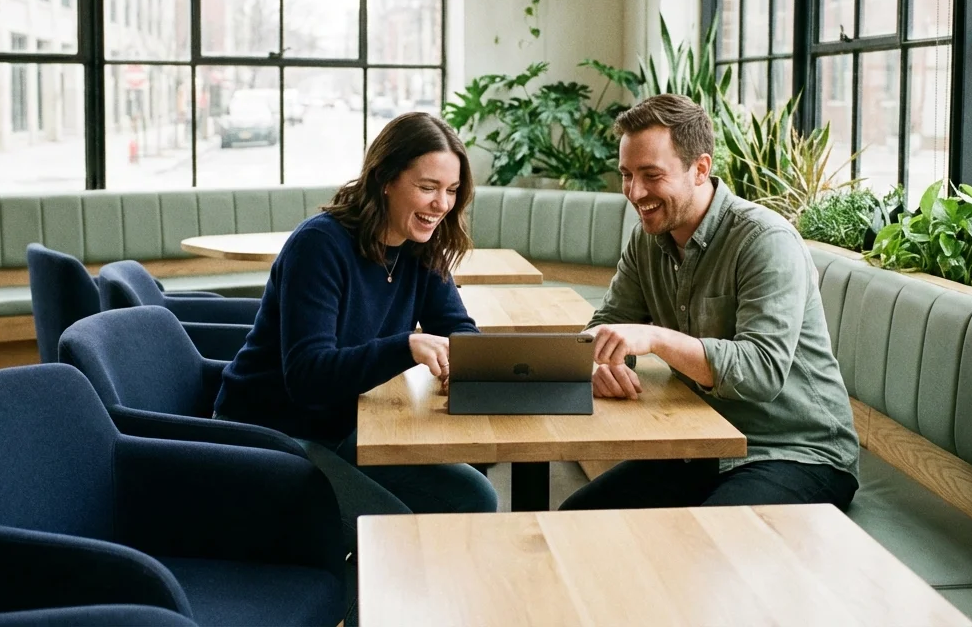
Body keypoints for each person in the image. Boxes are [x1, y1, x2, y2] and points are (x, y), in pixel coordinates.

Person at [559, 93, 860, 511]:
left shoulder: (765, 241)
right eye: (626, 174)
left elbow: (761, 371)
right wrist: (602, 362)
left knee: (707, 548)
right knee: (578, 519)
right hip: (698, 445)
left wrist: (656, 339)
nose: (634, 191)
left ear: (700, 169)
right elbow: (608, 323)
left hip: (796, 452)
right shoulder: (647, 240)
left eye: (651, 175)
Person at [214, 112, 498, 528]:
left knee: (475, 495)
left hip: (347, 424)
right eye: (427, 187)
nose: (442, 204)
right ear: (385, 179)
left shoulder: (421, 247)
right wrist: (406, 347)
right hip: (273, 432)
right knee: (392, 525)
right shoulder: (319, 245)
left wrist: (464, 358)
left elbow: (457, 327)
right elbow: (308, 376)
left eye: (452, 190)